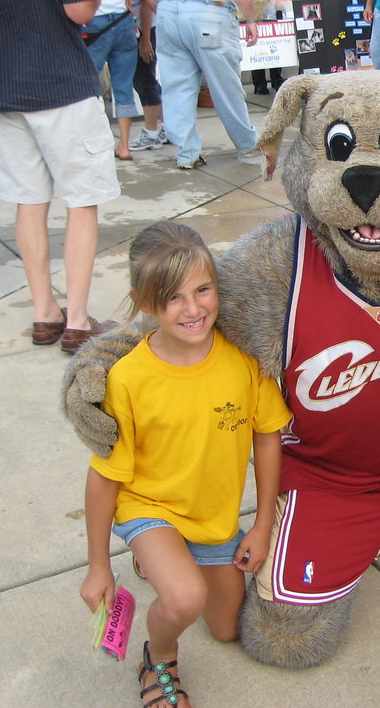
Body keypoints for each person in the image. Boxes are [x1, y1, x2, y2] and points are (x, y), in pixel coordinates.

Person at [79, 221, 291, 708]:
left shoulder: (243, 359)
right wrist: (96, 568)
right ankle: (160, 656)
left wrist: (260, 526)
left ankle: (167, 560)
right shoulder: (129, 378)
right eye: (173, 298)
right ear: (145, 302)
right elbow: (103, 476)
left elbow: (267, 436)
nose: (194, 310)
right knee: (183, 600)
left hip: (213, 521)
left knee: (224, 629)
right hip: (148, 505)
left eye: (203, 290)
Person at [0, 0, 121, 355]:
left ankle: (45, 313)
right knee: (82, 201)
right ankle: (78, 322)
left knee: (28, 200)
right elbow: (80, 9)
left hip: (4, 83)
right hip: (59, 79)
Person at [139, 0, 263, 170]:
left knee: (177, 89)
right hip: (210, 14)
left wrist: (169, 12)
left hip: (168, 14)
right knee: (226, 87)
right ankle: (248, 146)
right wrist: (251, 19)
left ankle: (187, 153)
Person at [85, 0, 142, 162]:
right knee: (123, 85)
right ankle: (124, 145)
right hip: (123, 22)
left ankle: (92, 140)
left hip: (94, 24)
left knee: (88, 85)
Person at [113, 0, 167, 154]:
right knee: (144, 79)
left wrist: (145, 38)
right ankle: (167, 127)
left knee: (144, 79)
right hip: (137, 29)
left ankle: (151, 132)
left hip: (144, 28)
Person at [236, 0, 289, 94]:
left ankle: (276, 79)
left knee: (272, 40)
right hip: (249, 6)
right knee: (254, 42)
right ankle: (259, 83)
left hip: (269, 7)